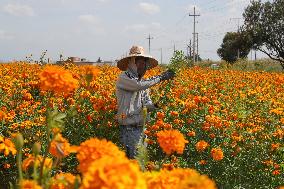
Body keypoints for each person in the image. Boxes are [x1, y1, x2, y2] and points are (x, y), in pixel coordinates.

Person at [116, 45, 175, 159]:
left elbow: (146, 105)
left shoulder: (143, 83)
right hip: (129, 130)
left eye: (144, 63)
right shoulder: (124, 77)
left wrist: (157, 104)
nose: (142, 66)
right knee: (134, 165)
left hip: (141, 130)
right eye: (139, 62)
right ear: (131, 63)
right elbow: (137, 85)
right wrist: (161, 77)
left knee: (141, 163)